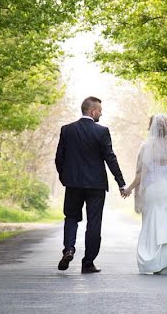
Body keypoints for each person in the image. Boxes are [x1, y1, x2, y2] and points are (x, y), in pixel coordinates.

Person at [54, 96, 127, 273]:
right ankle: (88, 263)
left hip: (73, 184)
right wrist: (121, 182)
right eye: (100, 111)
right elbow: (110, 157)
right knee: (94, 223)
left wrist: (65, 178)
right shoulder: (101, 131)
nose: (101, 114)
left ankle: (69, 249)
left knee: (71, 218)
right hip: (96, 186)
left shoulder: (67, 130)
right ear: (93, 111)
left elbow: (59, 158)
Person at [122, 114, 167, 275]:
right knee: (166, 222)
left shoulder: (148, 146)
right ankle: (166, 263)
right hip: (166, 190)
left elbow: (141, 173)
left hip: (152, 190)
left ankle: (150, 260)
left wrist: (129, 188)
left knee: (151, 225)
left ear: (153, 128)